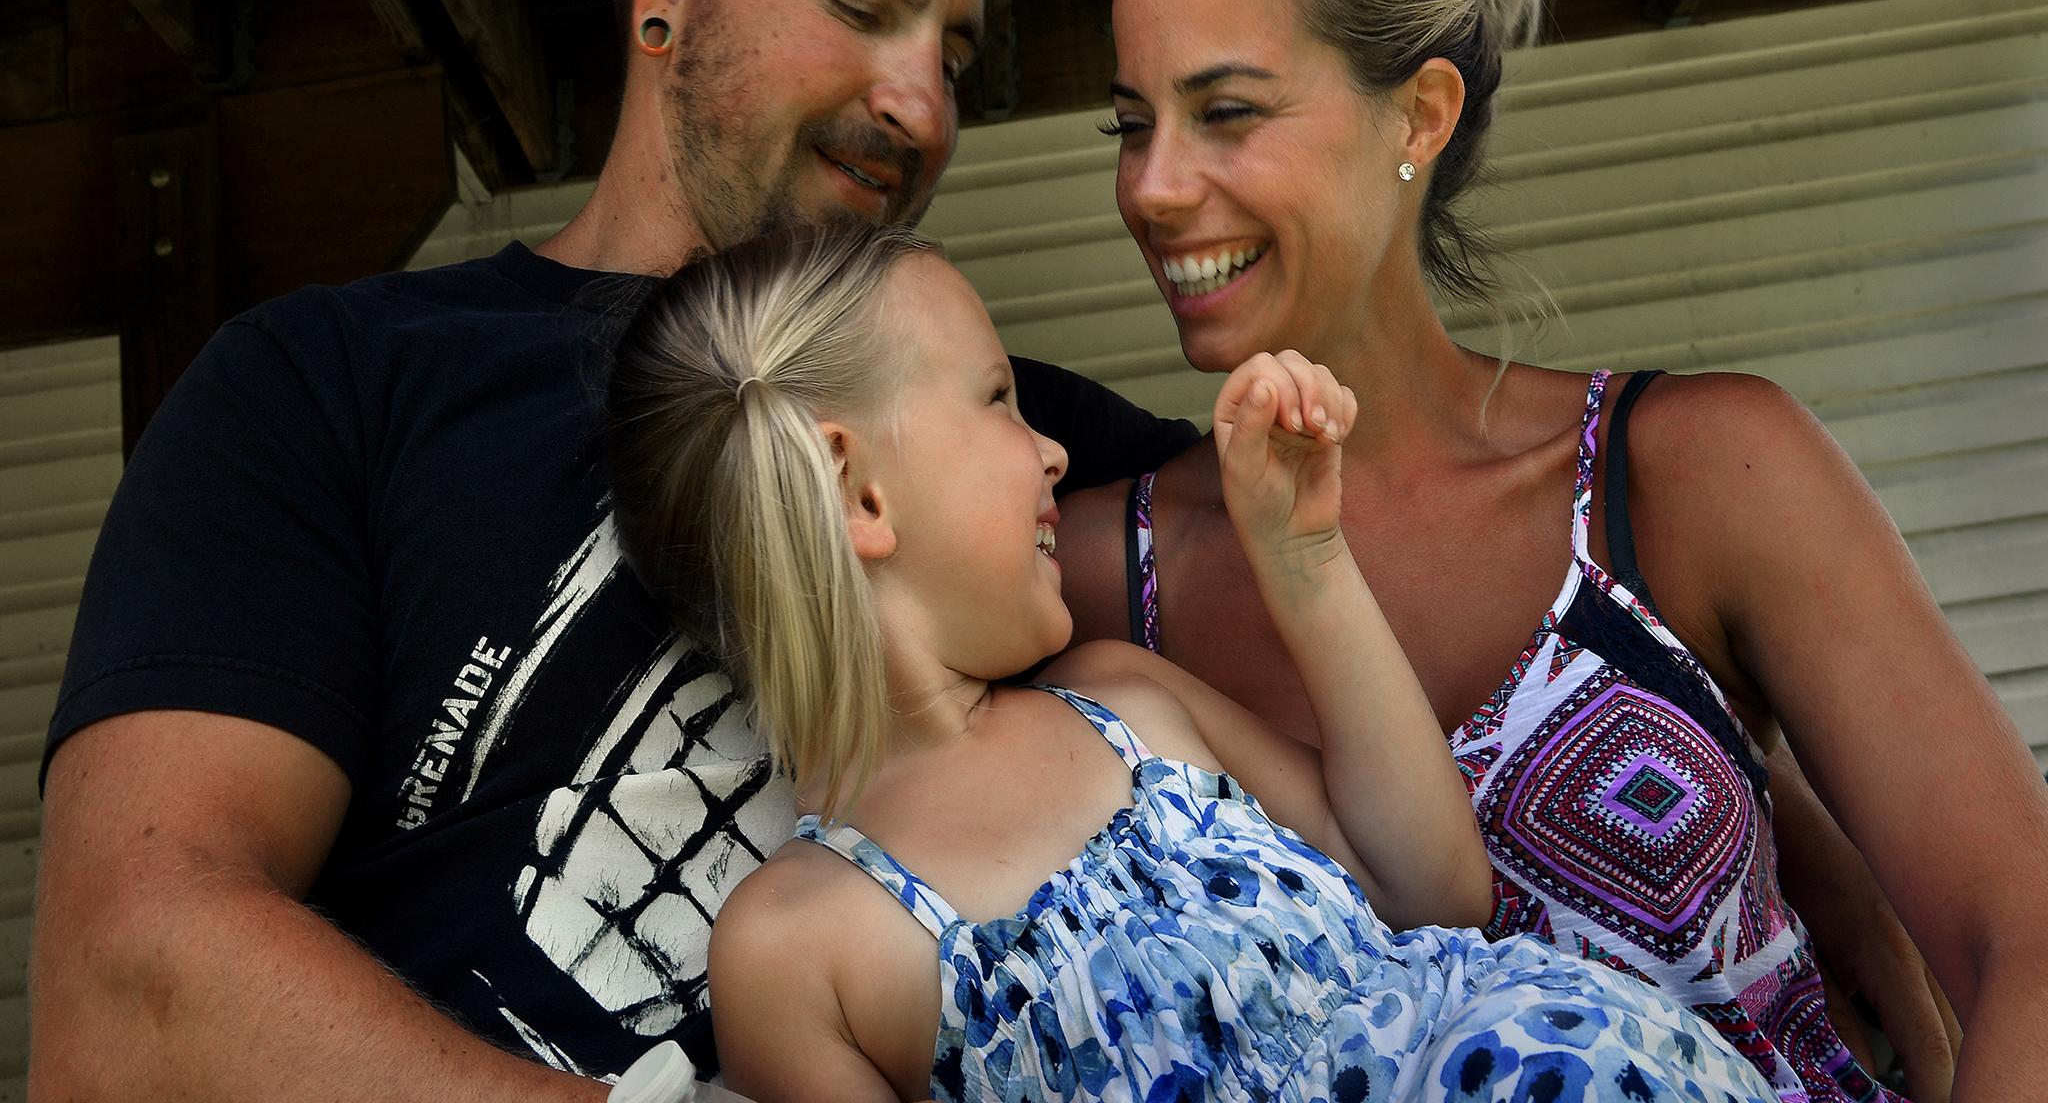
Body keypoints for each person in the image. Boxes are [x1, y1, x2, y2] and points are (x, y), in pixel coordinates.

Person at [29, 0, 1192, 1099]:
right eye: (862, 3)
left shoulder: (1011, 436)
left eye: (954, 51)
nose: (919, 104)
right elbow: (130, 987)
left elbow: (1372, 557)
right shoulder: (329, 383)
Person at [1051, 0, 2048, 1103]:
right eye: (1132, 123)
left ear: (1418, 116)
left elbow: (2021, 943)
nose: (1154, 186)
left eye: (1225, 111)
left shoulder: (1694, 475)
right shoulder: (1081, 577)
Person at [602, 221, 1783, 1103]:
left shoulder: (1118, 698)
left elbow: (1435, 891)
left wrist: (1305, 558)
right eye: (999, 401)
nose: (1052, 450)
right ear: (860, 491)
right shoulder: (793, 949)